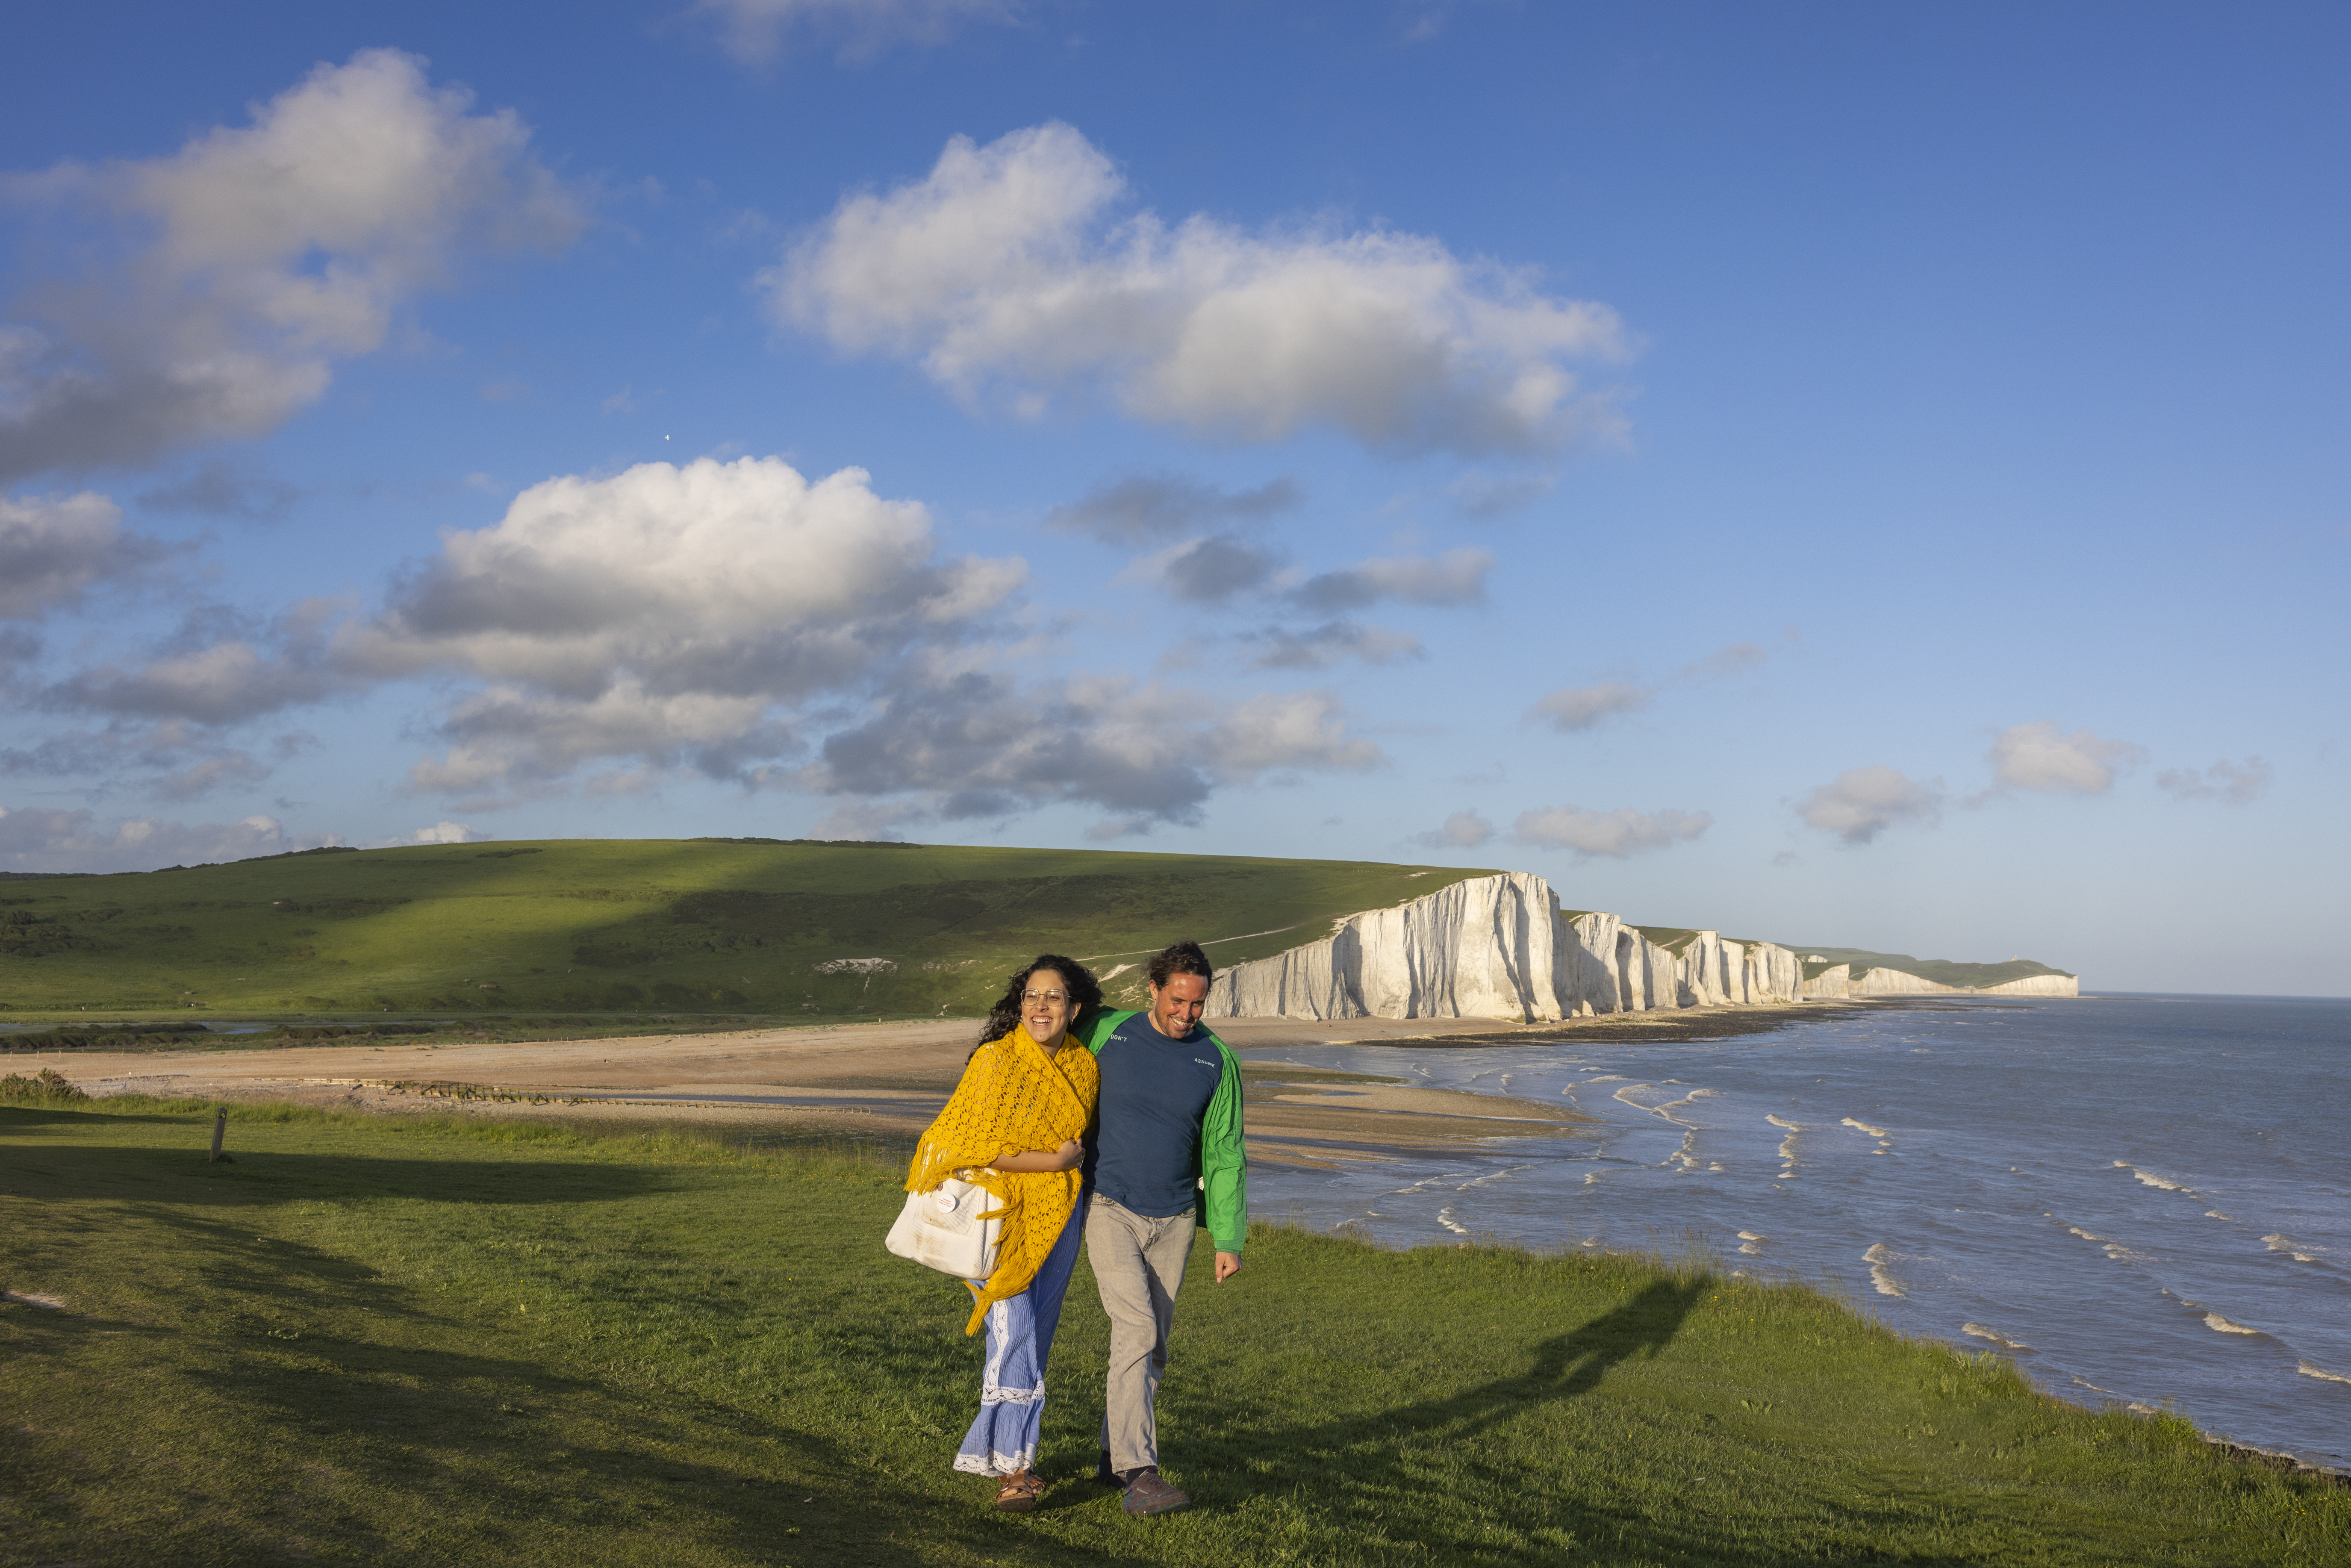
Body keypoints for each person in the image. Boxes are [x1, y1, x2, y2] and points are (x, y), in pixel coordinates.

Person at [902, 955, 1103, 1512]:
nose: (1041, 1007)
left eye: (1054, 997)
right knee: (1013, 1331)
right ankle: (1016, 1468)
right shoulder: (995, 1062)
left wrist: (1065, 1168)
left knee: (1034, 1332)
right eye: (1032, 996)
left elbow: (1079, 1143)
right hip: (996, 1216)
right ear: (1020, 1005)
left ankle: (1004, 1454)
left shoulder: (1085, 1067)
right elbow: (968, 1144)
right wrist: (1054, 1161)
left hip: (1061, 1217)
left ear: (1074, 1008)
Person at [1072, 940, 1246, 1518]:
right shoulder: (1105, 1032)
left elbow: (1224, 1152)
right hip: (1109, 1205)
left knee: (1155, 1349)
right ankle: (1140, 1474)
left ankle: (1110, 1453)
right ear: (1153, 989)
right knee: (1137, 1328)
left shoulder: (1217, 1059)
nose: (1186, 1015)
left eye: (1197, 1004)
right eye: (1177, 1001)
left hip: (1175, 1220)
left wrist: (1228, 1238)